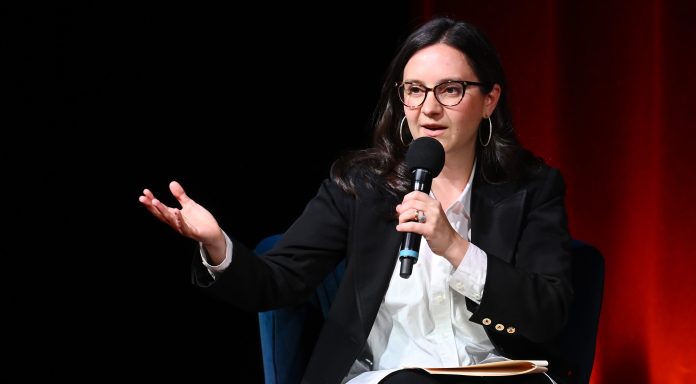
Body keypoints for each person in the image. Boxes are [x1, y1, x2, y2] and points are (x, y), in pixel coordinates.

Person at [139, 17, 573, 384]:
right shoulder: (362, 185)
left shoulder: (532, 188)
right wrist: (217, 245)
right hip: (388, 378)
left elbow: (549, 312)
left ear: (489, 100)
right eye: (415, 90)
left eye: (451, 90)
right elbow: (279, 280)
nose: (429, 108)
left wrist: (455, 248)